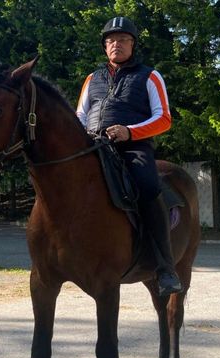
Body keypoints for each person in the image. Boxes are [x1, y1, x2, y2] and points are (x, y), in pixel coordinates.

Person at [76, 16, 183, 295]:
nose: (116, 44)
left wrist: (129, 132)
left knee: (148, 185)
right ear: (105, 47)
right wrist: (82, 134)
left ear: (133, 44)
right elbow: (80, 115)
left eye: (123, 40)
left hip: (133, 146)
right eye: (111, 40)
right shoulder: (92, 79)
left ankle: (165, 266)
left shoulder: (150, 76)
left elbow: (164, 119)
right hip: (93, 146)